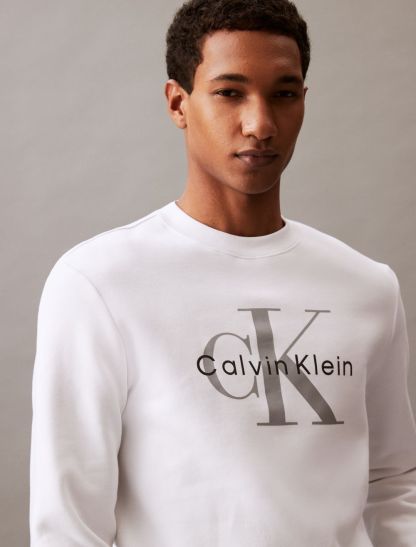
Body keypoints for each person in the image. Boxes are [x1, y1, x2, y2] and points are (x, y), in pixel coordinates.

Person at [29, 0, 416, 545]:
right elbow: (68, 523)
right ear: (178, 103)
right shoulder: (99, 284)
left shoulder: (367, 288)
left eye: (283, 94)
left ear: (304, 101)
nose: (260, 124)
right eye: (230, 92)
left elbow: (394, 483)